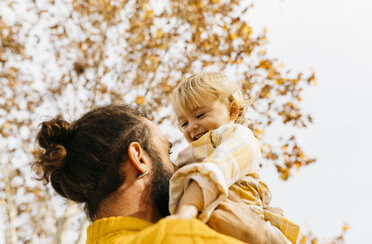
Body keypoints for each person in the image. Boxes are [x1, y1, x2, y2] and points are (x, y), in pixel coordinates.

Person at [33, 104, 288, 244]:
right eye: (168, 153)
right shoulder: (179, 237)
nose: (179, 166)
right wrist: (263, 238)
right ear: (140, 159)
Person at [168, 72, 300, 244]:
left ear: (232, 111)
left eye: (200, 115)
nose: (191, 126)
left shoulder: (236, 136)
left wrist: (186, 210)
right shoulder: (185, 155)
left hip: (244, 223)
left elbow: (217, 168)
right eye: (183, 123)